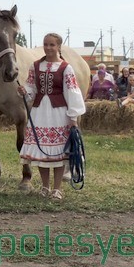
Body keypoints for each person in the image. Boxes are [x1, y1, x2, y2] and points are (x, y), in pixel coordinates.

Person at [16, 33, 85, 201]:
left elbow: (72, 92)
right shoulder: (35, 66)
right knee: (42, 153)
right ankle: (45, 187)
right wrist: (25, 92)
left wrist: (73, 117)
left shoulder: (65, 68)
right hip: (39, 112)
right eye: (46, 44)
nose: (48, 47)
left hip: (59, 113)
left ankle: (57, 189)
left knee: (58, 154)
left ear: (58, 47)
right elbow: (31, 88)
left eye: (52, 45)